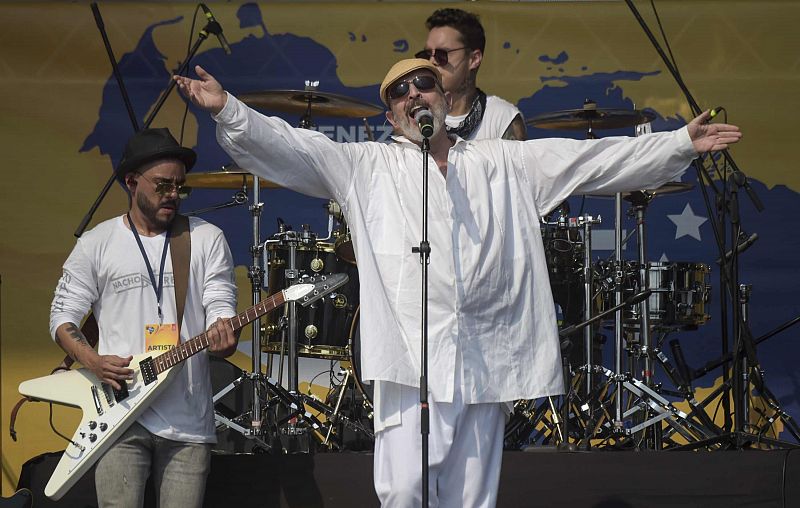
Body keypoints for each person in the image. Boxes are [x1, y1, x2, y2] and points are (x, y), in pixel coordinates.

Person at [174, 59, 740, 507]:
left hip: (486, 352)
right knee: (403, 491)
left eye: (425, 83)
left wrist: (677, 144)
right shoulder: (366, 166)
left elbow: (592, 161)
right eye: (401, 92)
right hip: (409, 355)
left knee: (472, 497)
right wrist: (228, 109)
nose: (415, 94)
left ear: (445, 98)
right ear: (391, 114)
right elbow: (289, 148)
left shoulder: (502, 163)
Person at [49, 128, 238, 507]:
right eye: (162, 185)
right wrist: (94, 362)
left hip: (187, 421)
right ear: (131, 182)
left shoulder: (206, 238)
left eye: (180, 187)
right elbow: (62, 316)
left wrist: (224, 332)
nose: (172, 195)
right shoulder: (96, 243)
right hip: (118, 417)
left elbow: (221, 303)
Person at [416, 8, 526, 141]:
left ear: (474, 59)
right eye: (426, 55)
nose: (431, 61)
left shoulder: (502, 118)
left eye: (441, 55)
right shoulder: (414, 116)